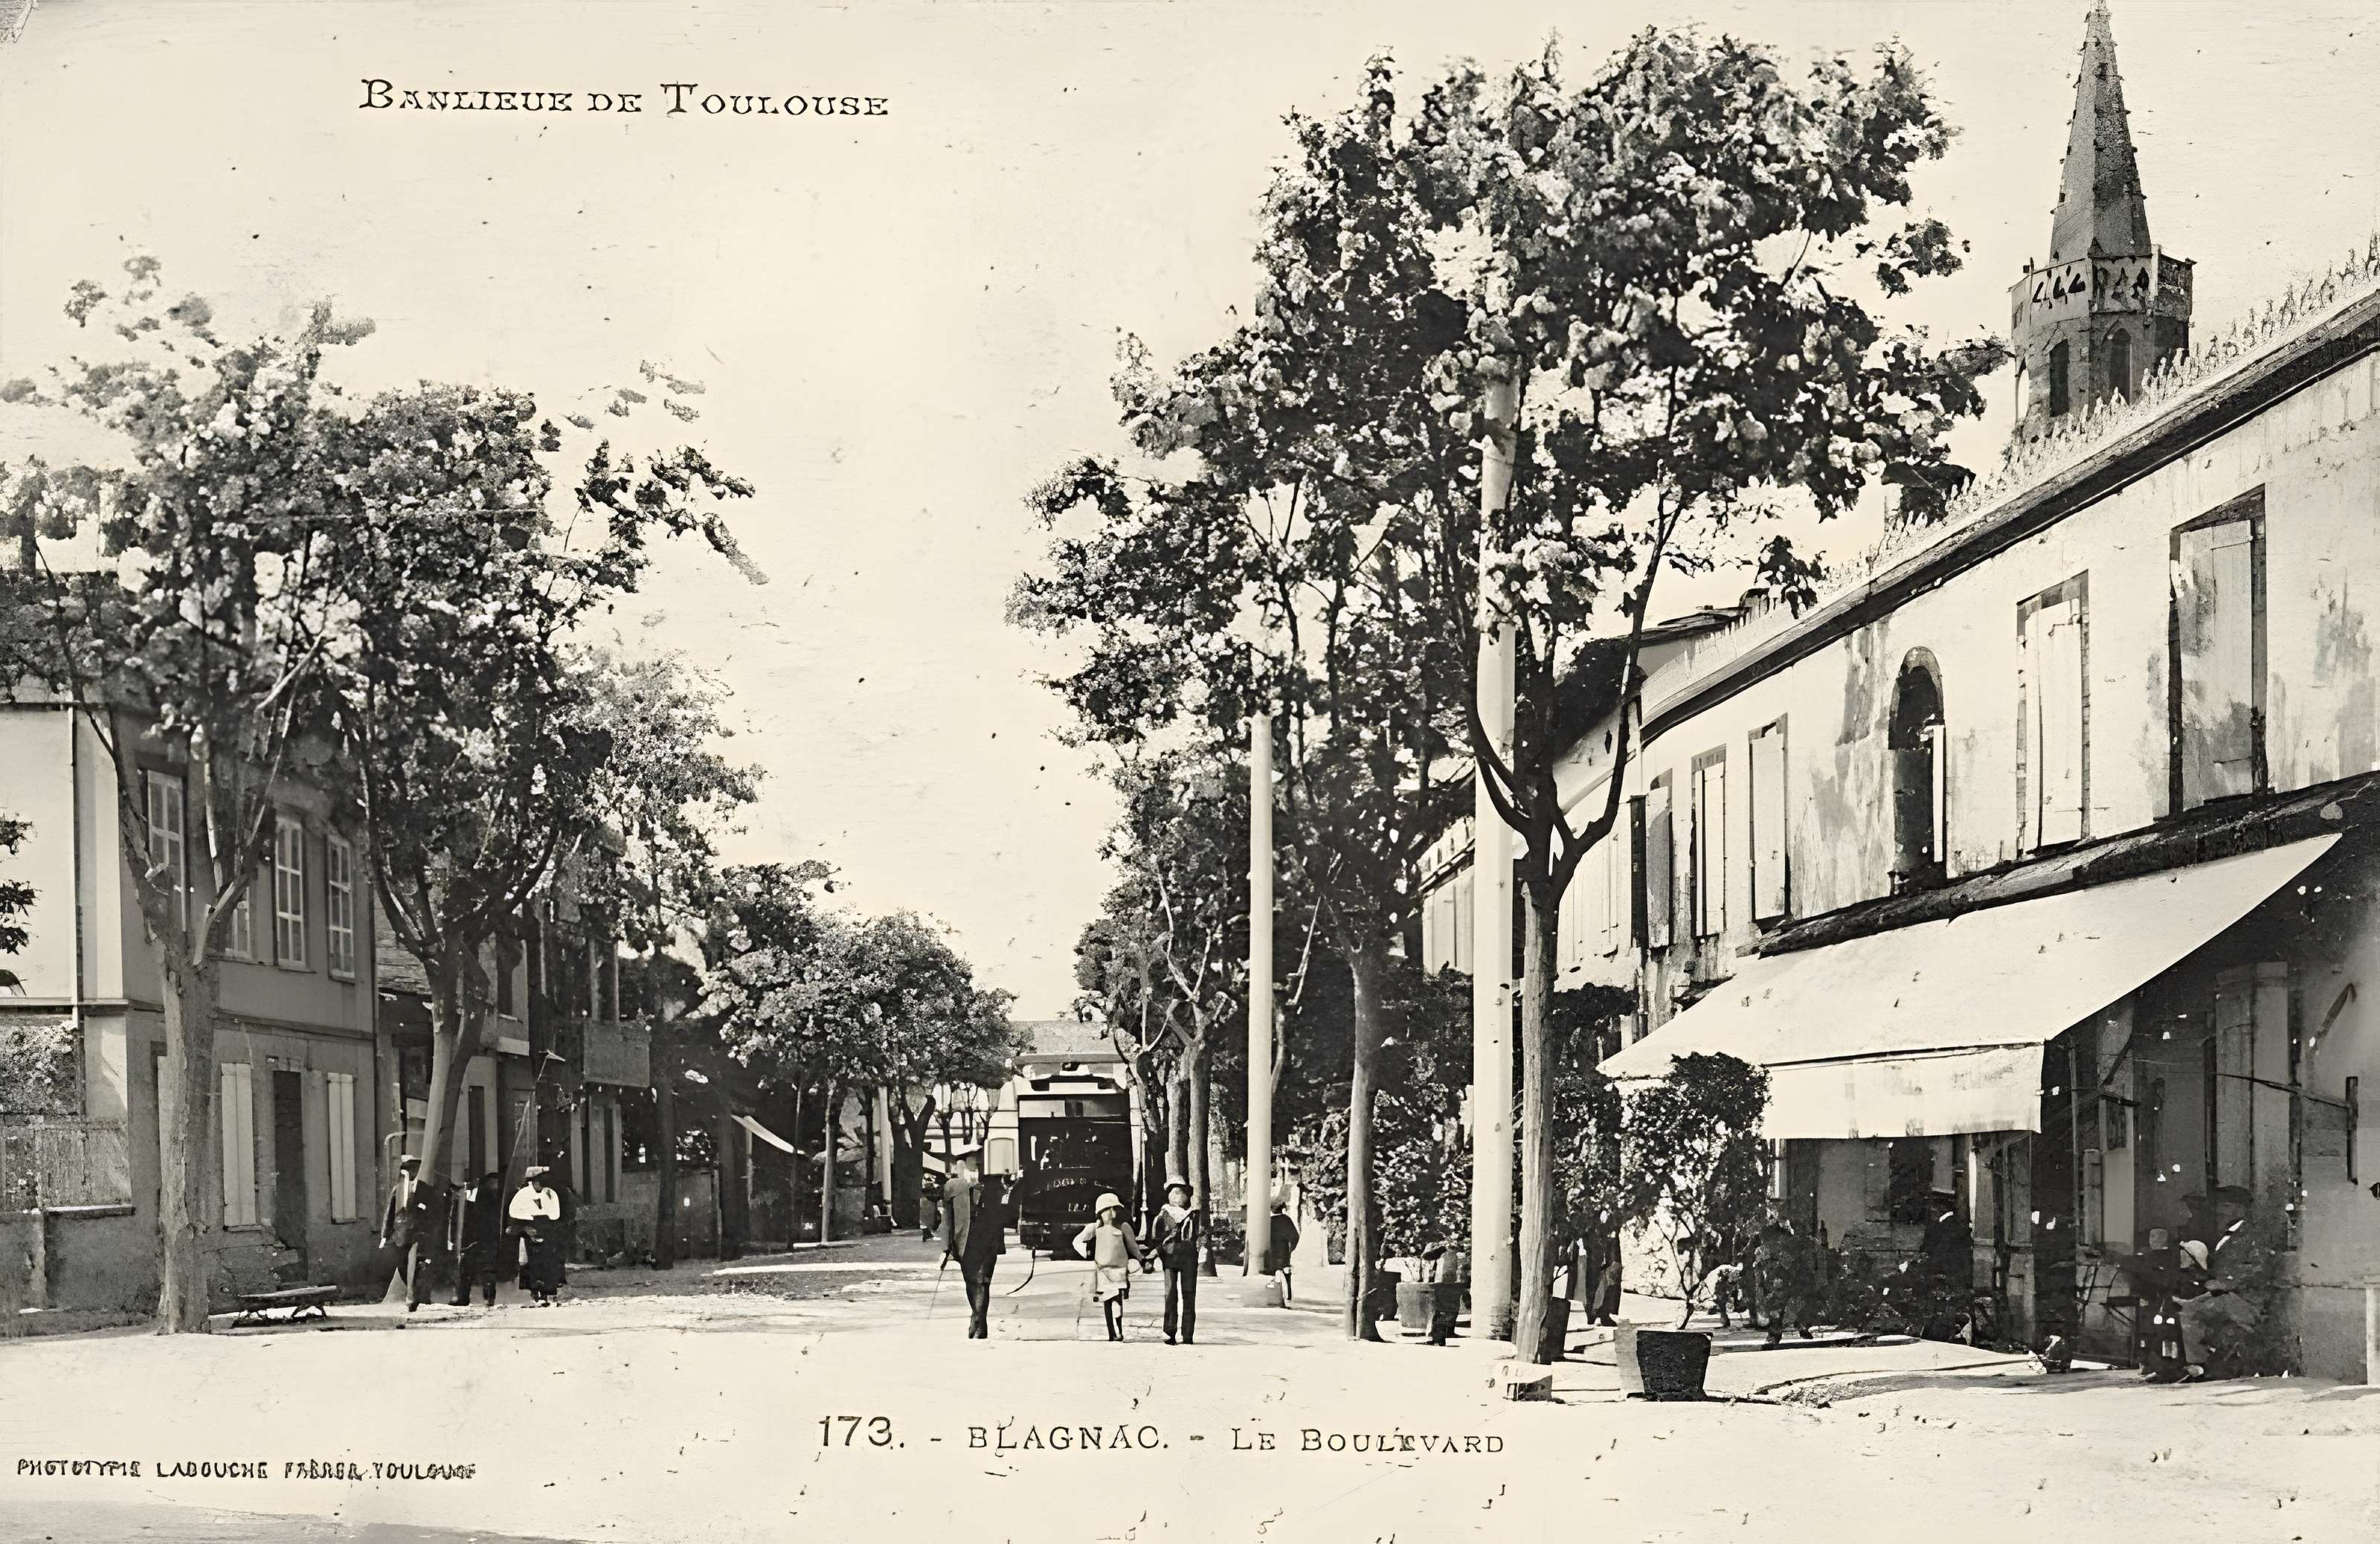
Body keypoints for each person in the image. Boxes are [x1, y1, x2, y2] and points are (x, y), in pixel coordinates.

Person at [2178, 1185, 2274, 1381]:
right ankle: (2199, 1364)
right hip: (2230, 1296)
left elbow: (2260, 1268)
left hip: (2247, 1300)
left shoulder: (2252, 1236)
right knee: (2185, 1307)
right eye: (2221, 1205)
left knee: (2190, 1311)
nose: (2221, 1209)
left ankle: (2199, 1365)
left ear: (2241, 1209)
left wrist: (2226, 1283)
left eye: (2227, 1205)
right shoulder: (2228, 1233)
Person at [1072, 1191, 1151, 1342]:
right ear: (1100, 1213)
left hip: (1119, 1270)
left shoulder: (1124, 1227)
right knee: (1107, 1302)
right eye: (1108, 1210)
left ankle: (1119, 1330)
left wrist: (1142, 1260)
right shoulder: (1094, 1228)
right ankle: (1111, 1333)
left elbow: (1133, 1247)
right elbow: (1077, 1241)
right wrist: (1086, 1252)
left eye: (1115, 1209)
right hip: (1102, 1270)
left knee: (1117, 1300)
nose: (1112, 1214)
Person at [944, 1157, 1004, 1339]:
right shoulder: (954, 1187)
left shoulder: (992, 1186)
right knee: (978, 1282)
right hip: (976, 1240)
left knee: (977, 1281)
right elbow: (948, 1218)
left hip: (978, 1239)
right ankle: (978, 1319)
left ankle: (978, 1319)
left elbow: (947, 1218)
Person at [379, 1154, 436, 1312]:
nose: (412, 1172)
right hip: (400, 1235)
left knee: (415, 1265)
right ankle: (412, 1293)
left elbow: (435, 1212)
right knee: (403, 1265)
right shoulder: (398, 1189)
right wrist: (385, 1235)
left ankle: (412, 1296)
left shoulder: (425, 1189)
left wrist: (425, 1215)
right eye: (409, 1169)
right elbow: (389, 1212)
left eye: (415, 1169)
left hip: (419, 1232)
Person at [1148, 1180, 1203, 1345]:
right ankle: (1169, 1332)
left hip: (1189, 1258)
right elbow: (1156, 1238)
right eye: (1173, 1192)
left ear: (1187, 1196)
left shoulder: (1195, 1214)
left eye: (1180, 1192)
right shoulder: (1164, 1215)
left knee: (1189, 1295)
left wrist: (1202, 1246)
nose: (1177, 1196)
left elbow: (1202, 1233)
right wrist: (1153, 1255)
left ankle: (1188, 1334)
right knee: (1170, 1295)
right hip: (1169, 1258)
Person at [1752, 1212, 1818, 1348]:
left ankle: (1800, 1326)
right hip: (1778, 1278)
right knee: (1777, 1306)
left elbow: (1798, 1261)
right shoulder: (1769, 1243)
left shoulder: (1794, 1241)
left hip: (1792, 1276)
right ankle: (1774, 1335)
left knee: (1798, 1302)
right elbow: (1763, 1262)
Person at [448, 1168, 509, 1307]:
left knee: (468, 1267)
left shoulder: (481, 1193)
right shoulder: (491, 1194)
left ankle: (464, 1297)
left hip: (475, 1237)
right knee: (485, 1267)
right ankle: (488, 1298)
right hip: (486, 1237)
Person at [509, 1165, 566, 1307]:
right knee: (530, 1263)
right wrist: (525, 1227)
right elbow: (514, 1213)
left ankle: (549, 1293)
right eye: (537, 1180)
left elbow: (555, 1214)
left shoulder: (550, 1193)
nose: (540, 1184)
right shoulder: (522, 1195)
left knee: (550, 1261)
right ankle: (535, 1292)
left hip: (547, 1229)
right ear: (532, 1181)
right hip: (528, 1230)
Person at [1426, 1238, 1470, 1345]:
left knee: (1441, 1311)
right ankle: (1444, 1335)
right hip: (1453, 1285)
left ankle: (1439, 1338)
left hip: (1443, 1285)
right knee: (1450, 1311)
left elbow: (1427, 1258)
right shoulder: (1460, 1256)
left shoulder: (1443, 1254)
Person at [1267, 1198, 1301, 1307]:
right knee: (1286, 1271)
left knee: (1274, 1271)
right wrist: (1292, 1249)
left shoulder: (1268, 1221)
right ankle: (1289, 1293)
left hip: (1271, 1249)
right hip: (1283, 1249)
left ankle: (1276, 1294)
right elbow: (1295, 1236)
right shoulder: (1286, 1220)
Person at [918, 1176, 942, 1244]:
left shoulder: (925, 1189)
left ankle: (927, 1235)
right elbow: (936, 1196)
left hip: (926, 1205)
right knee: (928, 1220)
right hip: (929, 1205)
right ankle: (928, 1235)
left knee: (926, 1221)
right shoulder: (931, 1188)